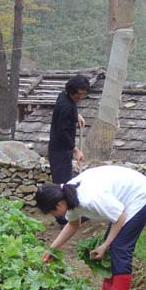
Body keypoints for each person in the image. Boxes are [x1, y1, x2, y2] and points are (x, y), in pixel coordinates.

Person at [36, 165, 146, 290]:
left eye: (51, 212)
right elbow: (73, 225)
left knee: (119, 247)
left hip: (139, 194)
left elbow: (120, 217)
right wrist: (51, 249)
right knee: (112, 246)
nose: (53, 216)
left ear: (58, 204)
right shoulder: (68, 197)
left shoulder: (89, 199)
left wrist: (105, 245)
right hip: (123, 195)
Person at [48, 74, 90, 225]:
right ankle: (62, 217)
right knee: (62, 183)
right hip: (59, 150)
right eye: (78, 93)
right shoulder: (66, 106)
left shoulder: (65, 97)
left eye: (83, 93)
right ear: (71, 91)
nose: (81, 96)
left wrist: (76, 115)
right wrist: (76, 150)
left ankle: (68, 214)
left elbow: (70, 109)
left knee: (66, 181)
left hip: (60, 148)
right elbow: (63, 132)